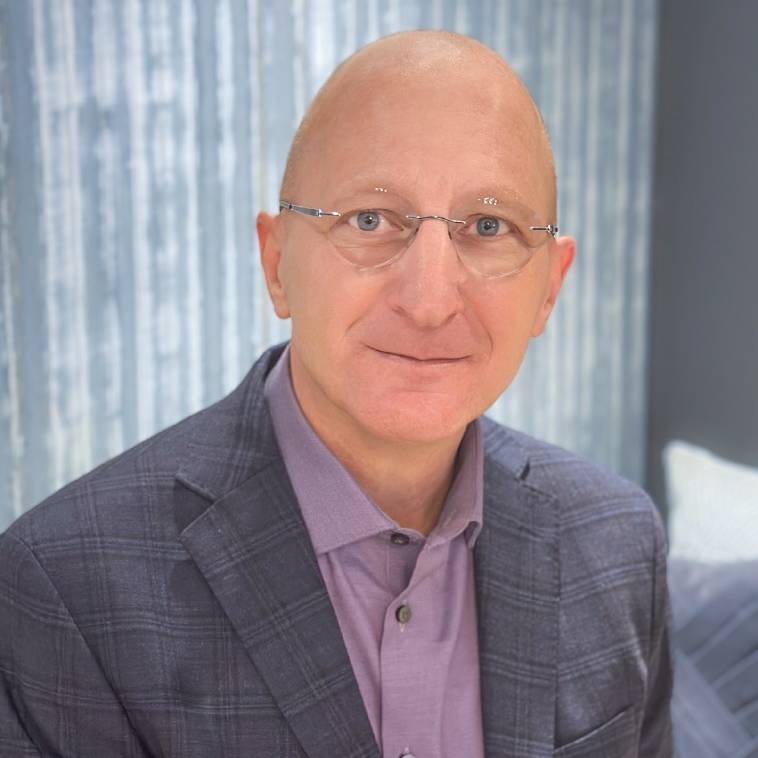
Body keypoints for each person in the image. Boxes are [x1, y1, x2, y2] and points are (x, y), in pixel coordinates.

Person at [0, 30, 672, 758]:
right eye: (371, 220)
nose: (429, 301)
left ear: (549, 288)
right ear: (277, 263)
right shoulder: (64, 589)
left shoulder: (619, 542)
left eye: (489, 226)